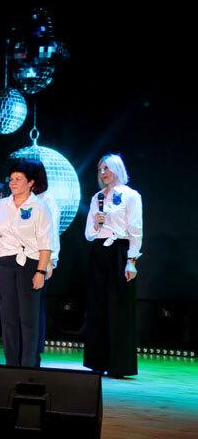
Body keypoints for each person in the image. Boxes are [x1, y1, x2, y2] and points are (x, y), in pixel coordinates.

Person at [0, 158, 53, 367]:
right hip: (5, 263)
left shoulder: (39, 206)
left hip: (30, 263)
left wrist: (41, 271)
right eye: (12, 179)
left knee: (29, 318)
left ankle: (28, 365)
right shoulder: (2, 205)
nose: (13, 183)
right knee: (8, 318)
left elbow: (46, 242)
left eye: (19, 179)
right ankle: (11, 365)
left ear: (30, 182)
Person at [83, 154, 142, 378]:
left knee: (118, 308)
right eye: (100, 169)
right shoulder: (97, 197)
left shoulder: (131, 196)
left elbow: (135, 230)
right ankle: (98, 362)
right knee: (97, 307)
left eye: (107, 168)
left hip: (119, 251)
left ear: (117, 168)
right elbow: (89, 234)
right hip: (99, 251)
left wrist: (131, 261)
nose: (103, 172)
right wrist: (96, 224)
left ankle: (119, 365)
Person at [33, 163, 61, 362]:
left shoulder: (47, 200)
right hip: (19, 259)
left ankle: (34, 351)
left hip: (40, 260)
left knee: (35, 308)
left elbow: (52, 232)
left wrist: (51, 260)